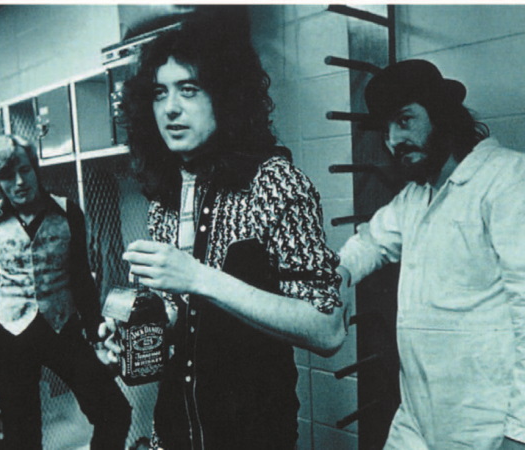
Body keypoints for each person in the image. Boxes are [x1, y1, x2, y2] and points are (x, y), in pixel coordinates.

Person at [101, 14, 348, 449]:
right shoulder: (165, 197)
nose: (170, 108)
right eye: (159, 93)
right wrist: (135, 335)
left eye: (188, 89)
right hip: (175, 432)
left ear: (226, 96)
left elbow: (327, 328)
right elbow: (182, 318)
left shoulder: (275, 185)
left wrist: (199, 276)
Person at [338, 59, 525, 450]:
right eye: (386, 129)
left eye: (405, 120)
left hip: (493, 427)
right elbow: (370, 243)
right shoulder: (416, 198)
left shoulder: (518, 180)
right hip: (418, 421)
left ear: (442, 114)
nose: (393, 140)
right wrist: (340, 274)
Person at [0, 134, 131, 450]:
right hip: (11, 335)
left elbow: (81, 278)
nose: (19, 182)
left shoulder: (66, 210)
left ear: (35, 168)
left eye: (24, 170)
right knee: (21, 438)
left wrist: (96, 333)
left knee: (115, 411)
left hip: (61, 328)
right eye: (7, 175)